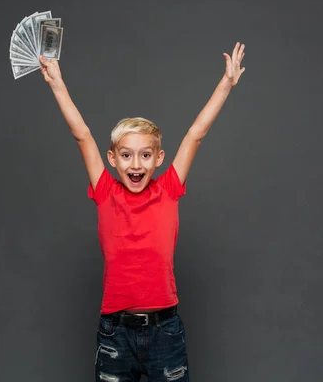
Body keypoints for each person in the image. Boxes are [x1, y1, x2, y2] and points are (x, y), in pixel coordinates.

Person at [39, 42, 246, 382]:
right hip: (115, 335)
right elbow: (82, 135)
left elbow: (196, 134)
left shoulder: (168, 190)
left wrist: (226, 83)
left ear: (159, 158)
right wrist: (57, 83)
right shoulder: (105, 192)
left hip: (166, 331)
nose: (136, 164)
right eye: (126, 155)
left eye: (145, 155)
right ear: (112, 158)